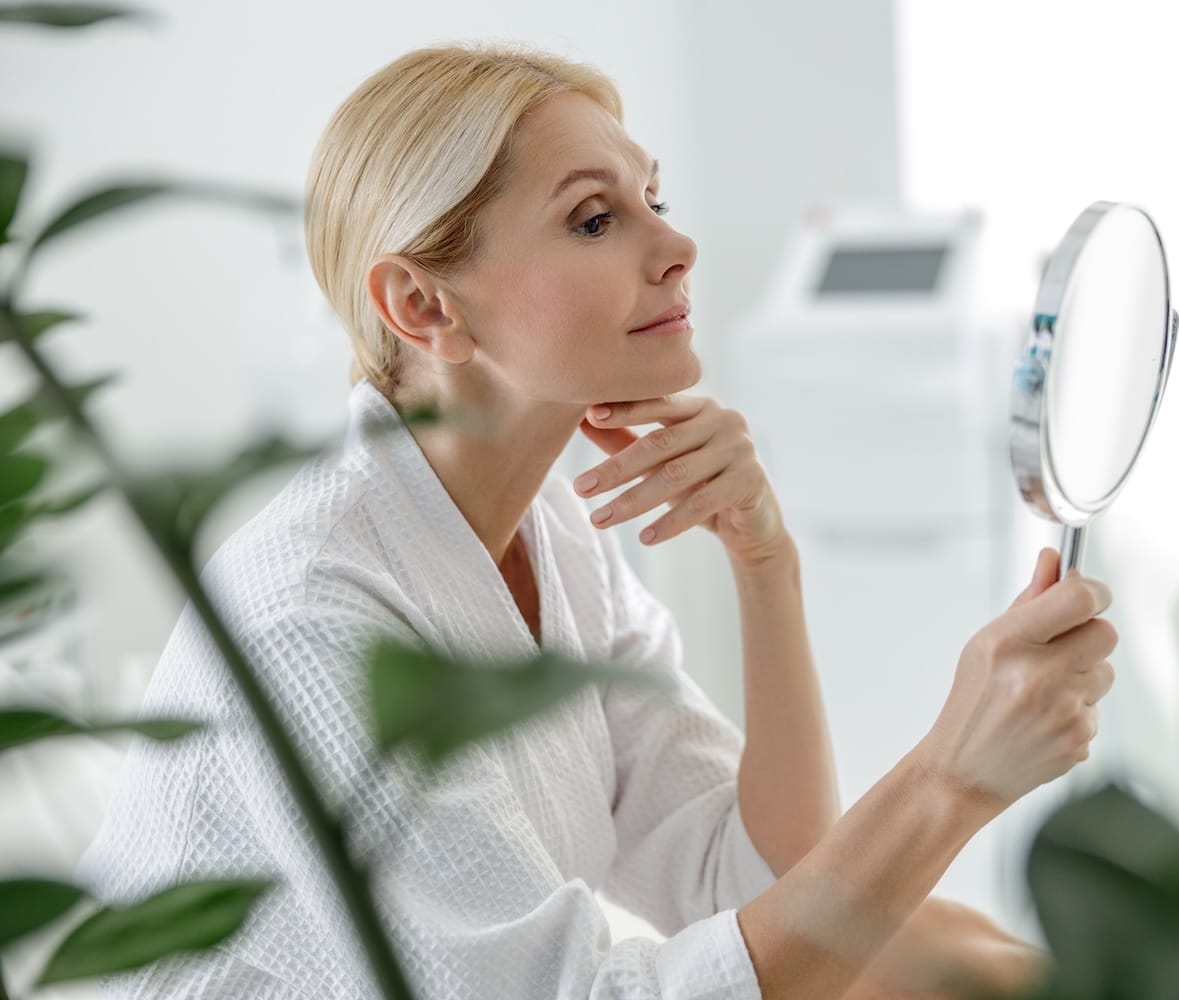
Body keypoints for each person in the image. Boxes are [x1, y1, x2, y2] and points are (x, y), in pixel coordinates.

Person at [76, 41, 1117, 999]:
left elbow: (760, 879)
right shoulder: (316, 622)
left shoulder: (553, 534)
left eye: (652, 198)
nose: (678, 245)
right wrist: (950, 775)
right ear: (425, 307)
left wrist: (766, 563)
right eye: (594, 219)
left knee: (940, 948)